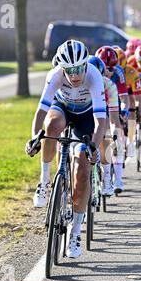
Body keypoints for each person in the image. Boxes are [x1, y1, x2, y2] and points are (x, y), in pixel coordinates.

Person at [25, 40, 107, 258]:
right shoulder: (54, 75)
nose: (75, 75)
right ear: (62, 67)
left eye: (79, 68)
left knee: (82, 171)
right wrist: (34, 137)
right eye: (69, 70)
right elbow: (41, 111)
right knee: (51, 126)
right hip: (62, 108)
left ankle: (76, 232)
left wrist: (94, 145)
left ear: (85, 65)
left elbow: (101, 122)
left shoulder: (93, 76)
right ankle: (44, 181)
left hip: (86, 118)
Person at [96, 46, 130, 194]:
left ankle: (117, 180)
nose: (109, 71)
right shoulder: (92, 69)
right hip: (96, 103)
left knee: (115, 134)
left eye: (112, 67)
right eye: (106, 67)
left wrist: (125, 110)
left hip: (112, 102)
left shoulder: (119, 73)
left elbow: (124, 98)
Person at [87, 55, 122, 196]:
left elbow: (114, 119)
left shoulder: (109, 85)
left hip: (101, 113)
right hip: (81, 112)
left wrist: (116, 139)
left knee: (106, 130)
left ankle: (107, 176)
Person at [112, 46, 141, 158]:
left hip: (127, 91)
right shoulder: (110, 72)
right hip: (113, 92)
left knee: (131, 102)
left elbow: (139, 96)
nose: (119, 72)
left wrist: (139, 111)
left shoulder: (132, 72)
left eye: (122, 69)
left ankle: (130, 141)